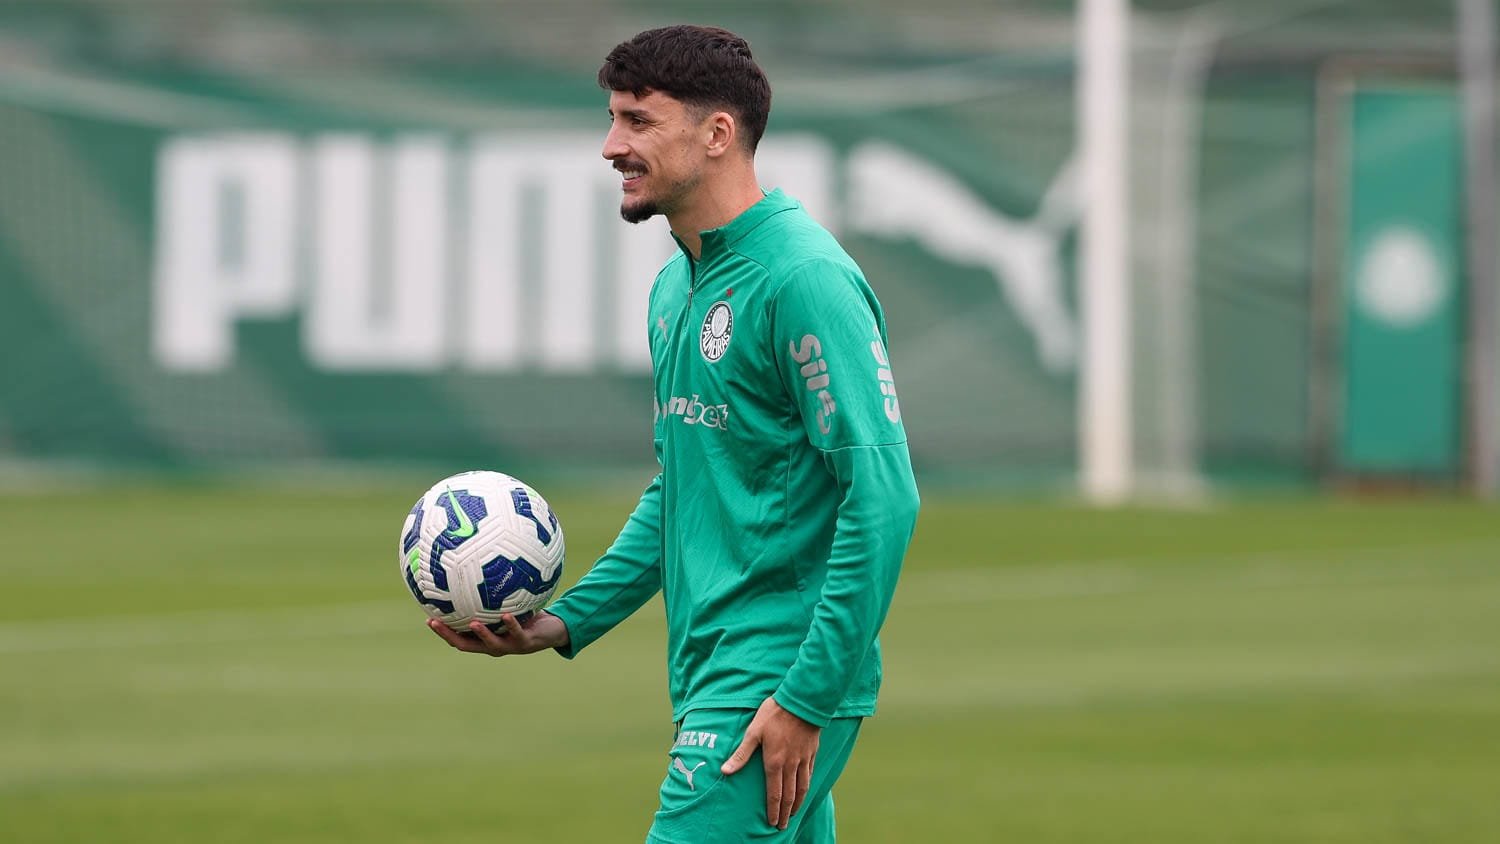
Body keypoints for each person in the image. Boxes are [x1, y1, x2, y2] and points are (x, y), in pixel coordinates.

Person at [429, 24, 920, 843]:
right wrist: (568, 619)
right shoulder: (673, 288)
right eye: (613, 119)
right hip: (713, 673)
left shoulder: (804, 279)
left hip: (773, 679)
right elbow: (683, 484)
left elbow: (883, 497)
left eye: (637, 121)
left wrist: (805, 696)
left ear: (717, 134)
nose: (610, 145)